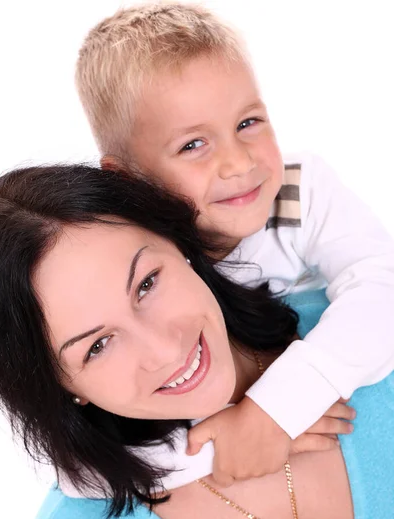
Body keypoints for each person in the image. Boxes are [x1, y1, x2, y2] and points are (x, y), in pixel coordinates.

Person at [0, 164, 392, 519]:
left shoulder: (364, 333)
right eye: (98, 345)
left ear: (180, 244)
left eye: (146, 284)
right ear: (60, 386)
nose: (164, 350)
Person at [74, 2, 394, 486]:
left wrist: (278, 407)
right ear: (128, 180)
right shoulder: (136, 262)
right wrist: (228, 443)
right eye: (193, 145)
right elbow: (77, 468)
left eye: (248, 123)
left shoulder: (296, 188)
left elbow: (382, 290)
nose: (238, 163)